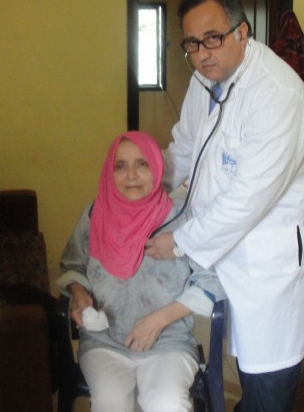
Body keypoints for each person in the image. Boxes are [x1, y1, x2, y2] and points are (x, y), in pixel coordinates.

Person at [144, 0, 304, 412]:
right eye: (192, 43)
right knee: (240, 366)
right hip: (226, 247)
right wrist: (141, 192)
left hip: (270, 264)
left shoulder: (277, 94)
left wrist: (180, 241)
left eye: (213, 38)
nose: (202, 53)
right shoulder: (204, 79)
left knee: (268, 383)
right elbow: (184, 150)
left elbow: (249, 197)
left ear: (242, 32)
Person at [56, 131, 224, 412]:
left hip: (168, 341)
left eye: (142, 164)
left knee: (167, 404)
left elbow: (211, 279)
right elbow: (73, 264)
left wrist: (158, 321)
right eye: (120, 166)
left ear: (157, 168)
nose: (131, 175)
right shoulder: (95, 214)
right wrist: (79, 293)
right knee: (109, 404)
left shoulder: (182, 217)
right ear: (110, 172)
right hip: (104, 343)